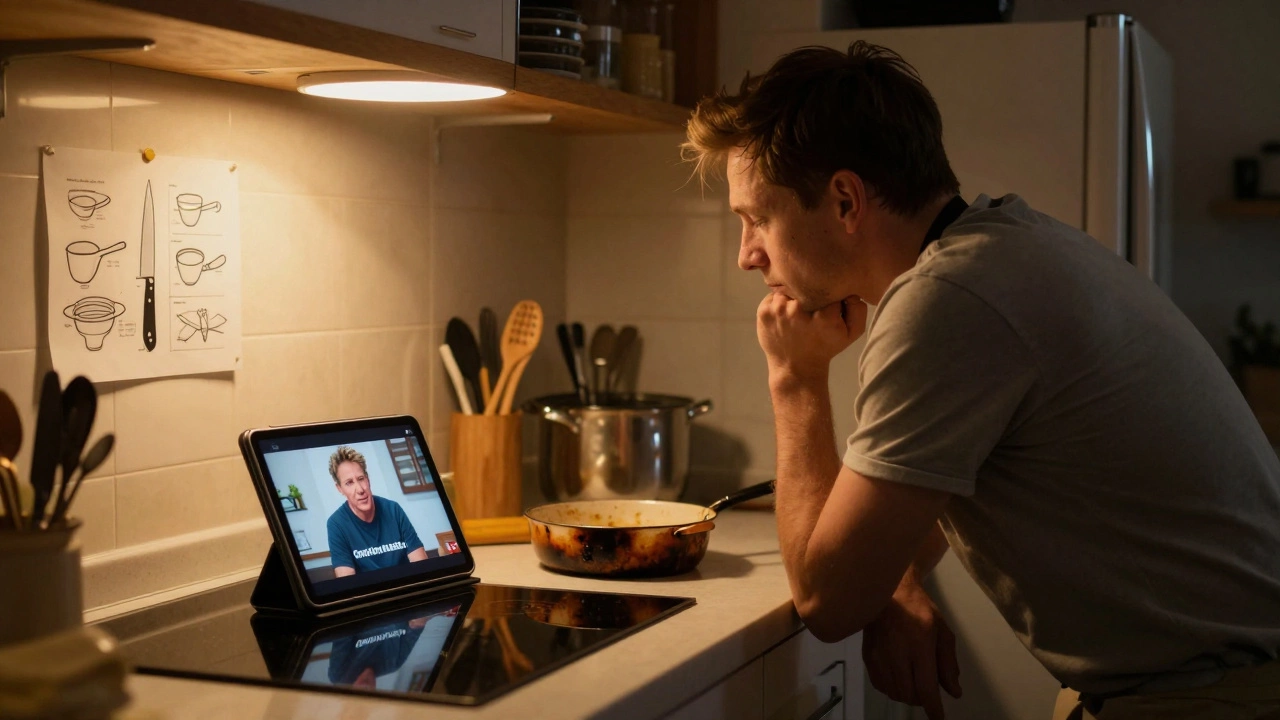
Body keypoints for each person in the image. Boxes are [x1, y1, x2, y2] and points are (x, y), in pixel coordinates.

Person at [682, 42, 1280, 720]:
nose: (746, 256)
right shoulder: (1003, 246)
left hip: (1216, 702)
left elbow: (828, 601)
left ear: (845, 200)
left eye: (756, 219)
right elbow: (912, 508)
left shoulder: (949, 302)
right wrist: (895, 578)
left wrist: (794, 378)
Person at [326, 446, 428, 577]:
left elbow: (421, 563)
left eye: (361, 478)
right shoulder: (336, 524)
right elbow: (347, 580)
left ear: (368, 480)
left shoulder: (393, 509)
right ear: (340, 488)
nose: (360, 489)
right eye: (349, 483)